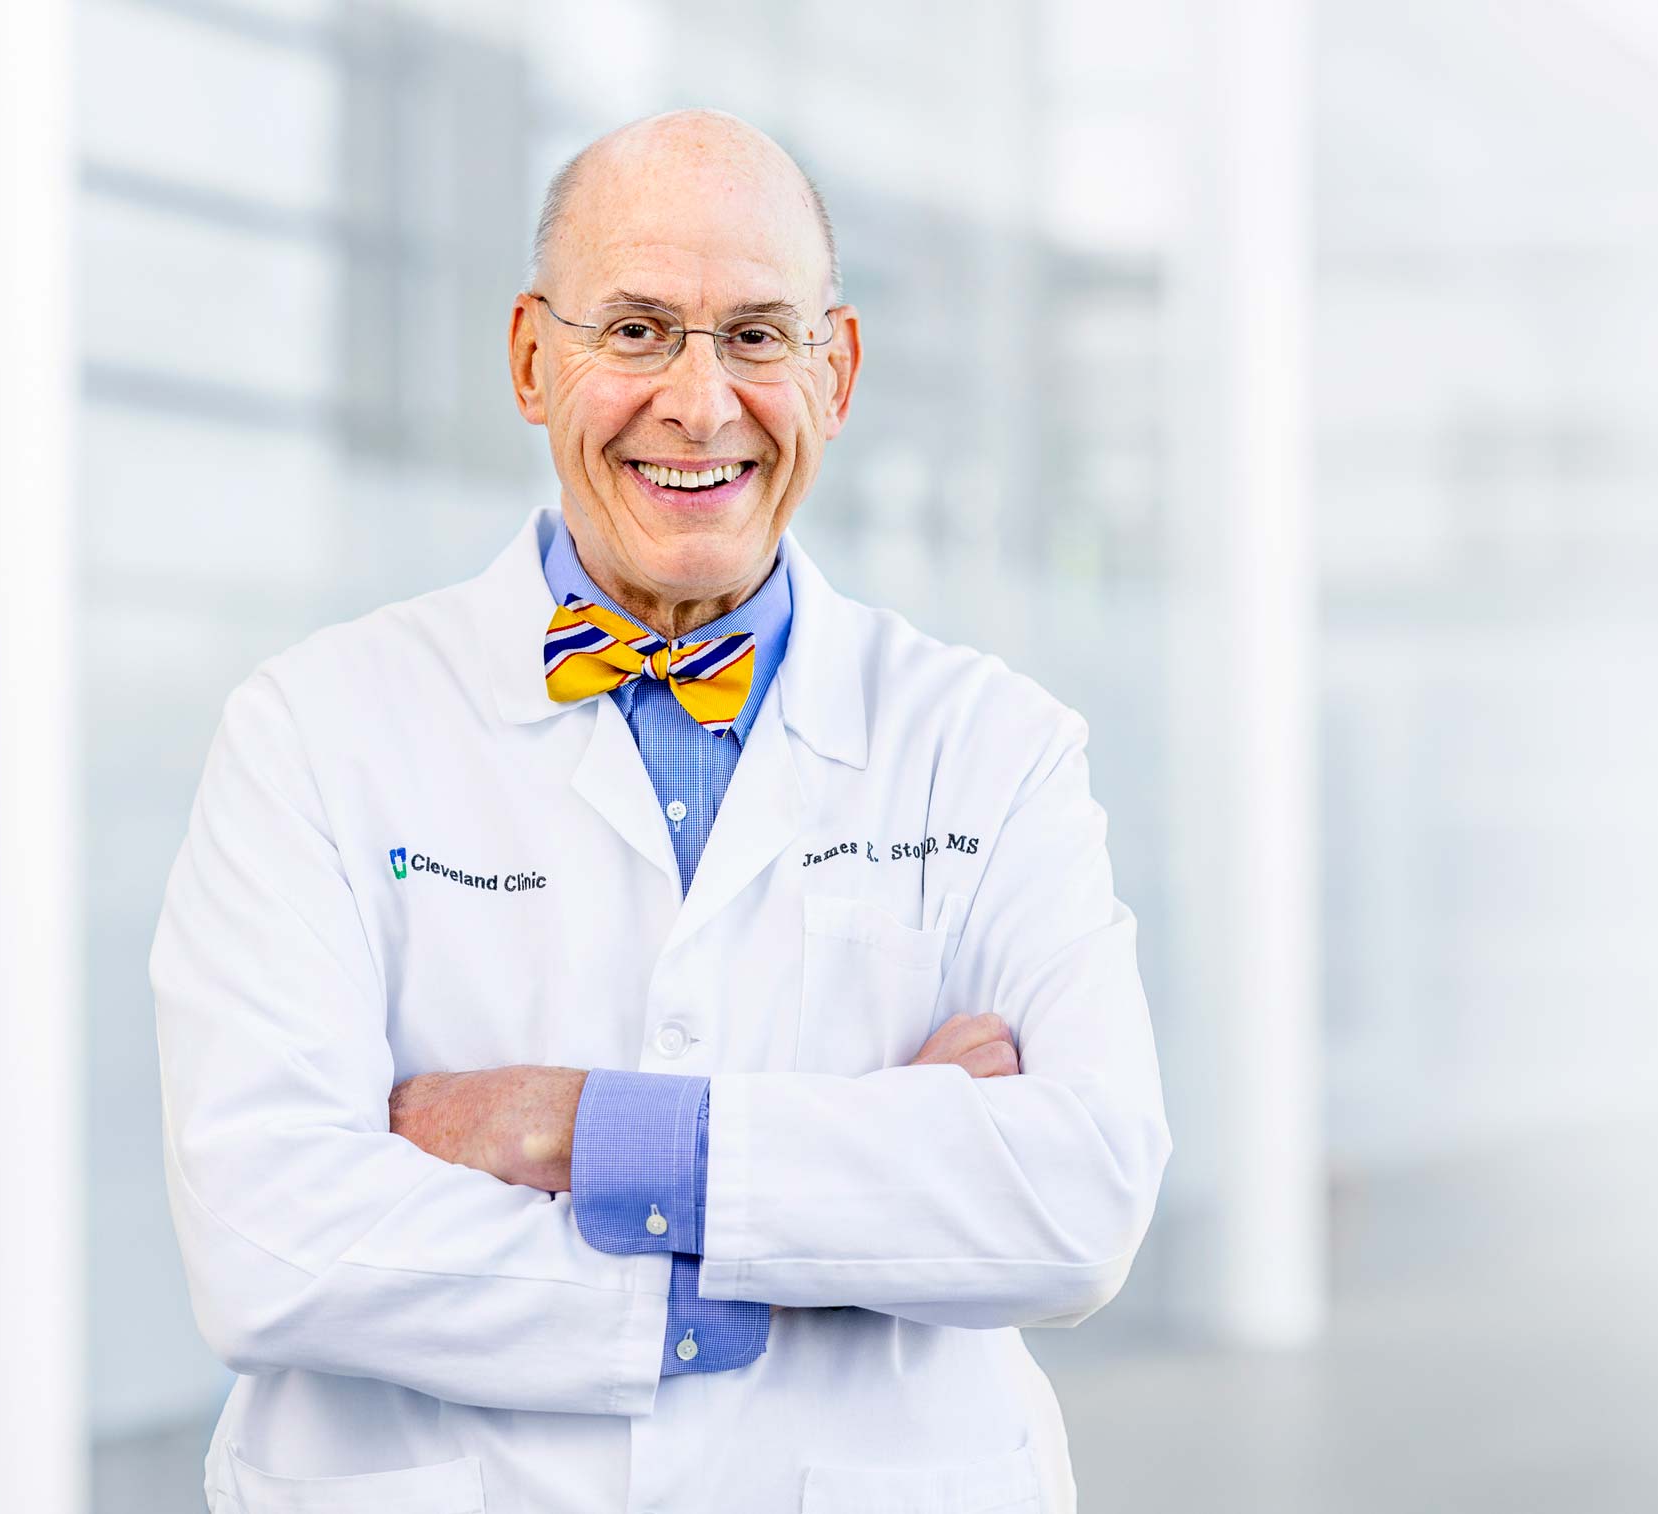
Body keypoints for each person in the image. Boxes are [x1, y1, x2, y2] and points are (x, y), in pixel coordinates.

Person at [151, 109, 1169, 1514]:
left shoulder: (991, 744)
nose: (700, 404)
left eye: (758, 334)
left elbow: (1079, 1198)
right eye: (635, 330)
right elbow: (273, 1239)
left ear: (839, 367)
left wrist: (579, 1131)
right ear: (530, 357)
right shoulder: (313, 730)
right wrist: (802, 1235)